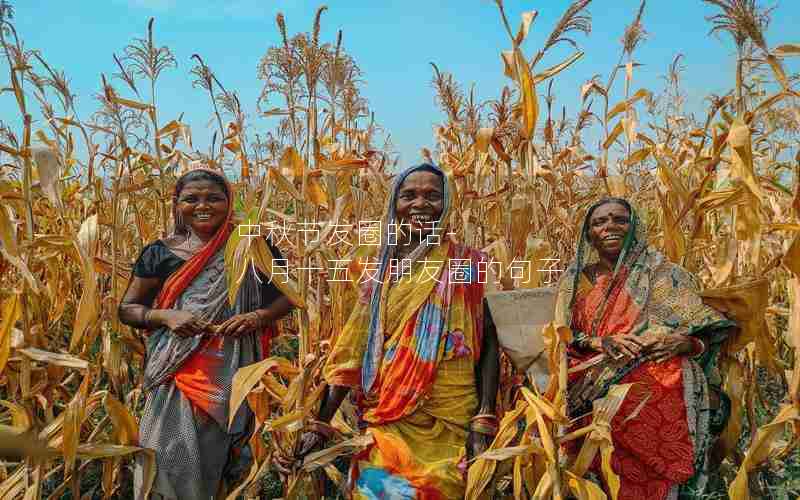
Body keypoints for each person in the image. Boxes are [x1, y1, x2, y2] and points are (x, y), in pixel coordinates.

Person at [292, 163, 500, 499]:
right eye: (409, 195)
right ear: (394, 204)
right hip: (387, 410)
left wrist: (484, 416)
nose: (421, 204)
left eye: (433, 196)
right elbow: (351, 347)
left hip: (450, 414)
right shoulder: (376, 265)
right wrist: (321, 422)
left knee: (442, 488)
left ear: (447, 204)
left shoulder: (467, 264)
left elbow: (489, 341)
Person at [118, 166, 293, 499]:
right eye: (191, 199)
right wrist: (167, 316)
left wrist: (257, 316)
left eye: (214, 198)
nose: (203, 206)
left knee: (223, 456)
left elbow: (289, 296)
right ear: (176, 204)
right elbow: (128, 309)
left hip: (232, 371)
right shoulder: (159, 252)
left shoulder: (253, 246)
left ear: (229, 203)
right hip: (175, 370)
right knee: (164, 455)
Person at [556, 197, 737, 499]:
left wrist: (684, 342)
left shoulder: (665, 274)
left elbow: (706, 336)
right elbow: (558, 335)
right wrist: (597, 341)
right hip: (591, 386)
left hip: (661, 384)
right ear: (588, 235)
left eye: (619, 219)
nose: (610, 226)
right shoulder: (575, 281)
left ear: (635, 228)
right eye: (599, 222)